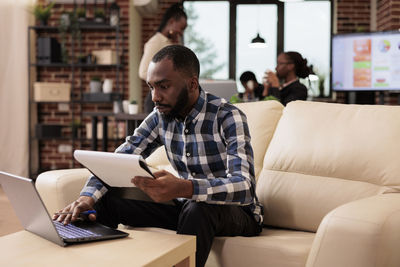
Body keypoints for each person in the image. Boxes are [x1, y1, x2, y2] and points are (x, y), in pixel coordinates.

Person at [54, 45, 263, 267]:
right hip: (186, 207)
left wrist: (185, 187)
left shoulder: (228, 117)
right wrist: (87, 198)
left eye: (163, 86)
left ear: (192, 84)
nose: (155, 97)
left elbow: (244, 188)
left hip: (238, 213)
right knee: (106, 200)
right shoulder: (160, 117)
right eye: (152, 87)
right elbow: (120, 158)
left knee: (199, 207)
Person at [139, 3, 188, 113]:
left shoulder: (170, 43)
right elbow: (142, 72)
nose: (181, 32)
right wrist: (163, 83)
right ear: (171, 22)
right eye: (181, 28)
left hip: (169, 99)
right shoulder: (156, 42)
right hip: (156, 100)